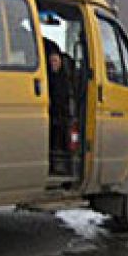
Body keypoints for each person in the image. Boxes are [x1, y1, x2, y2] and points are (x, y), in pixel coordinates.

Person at [44, 38, 73, 172]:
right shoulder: (47, 78)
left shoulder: (64, 79)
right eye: (51, 61)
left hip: (60, 114)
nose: (54, 64)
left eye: (56, 61)